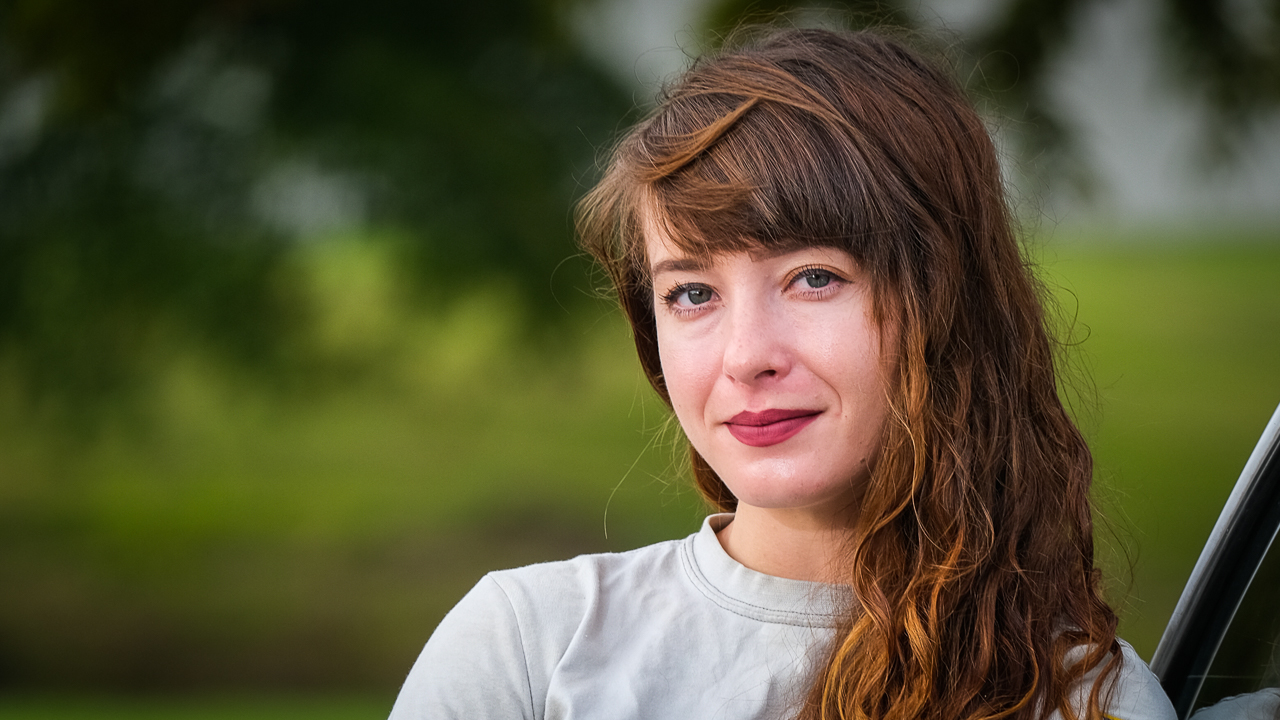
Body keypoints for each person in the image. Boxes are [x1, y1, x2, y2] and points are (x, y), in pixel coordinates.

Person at [389, 27, 1178, 720]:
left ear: (949, 305)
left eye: (813, 278)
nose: (746, 356)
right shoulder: (527, 648)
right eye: (691, 293)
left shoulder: (1086, 703)